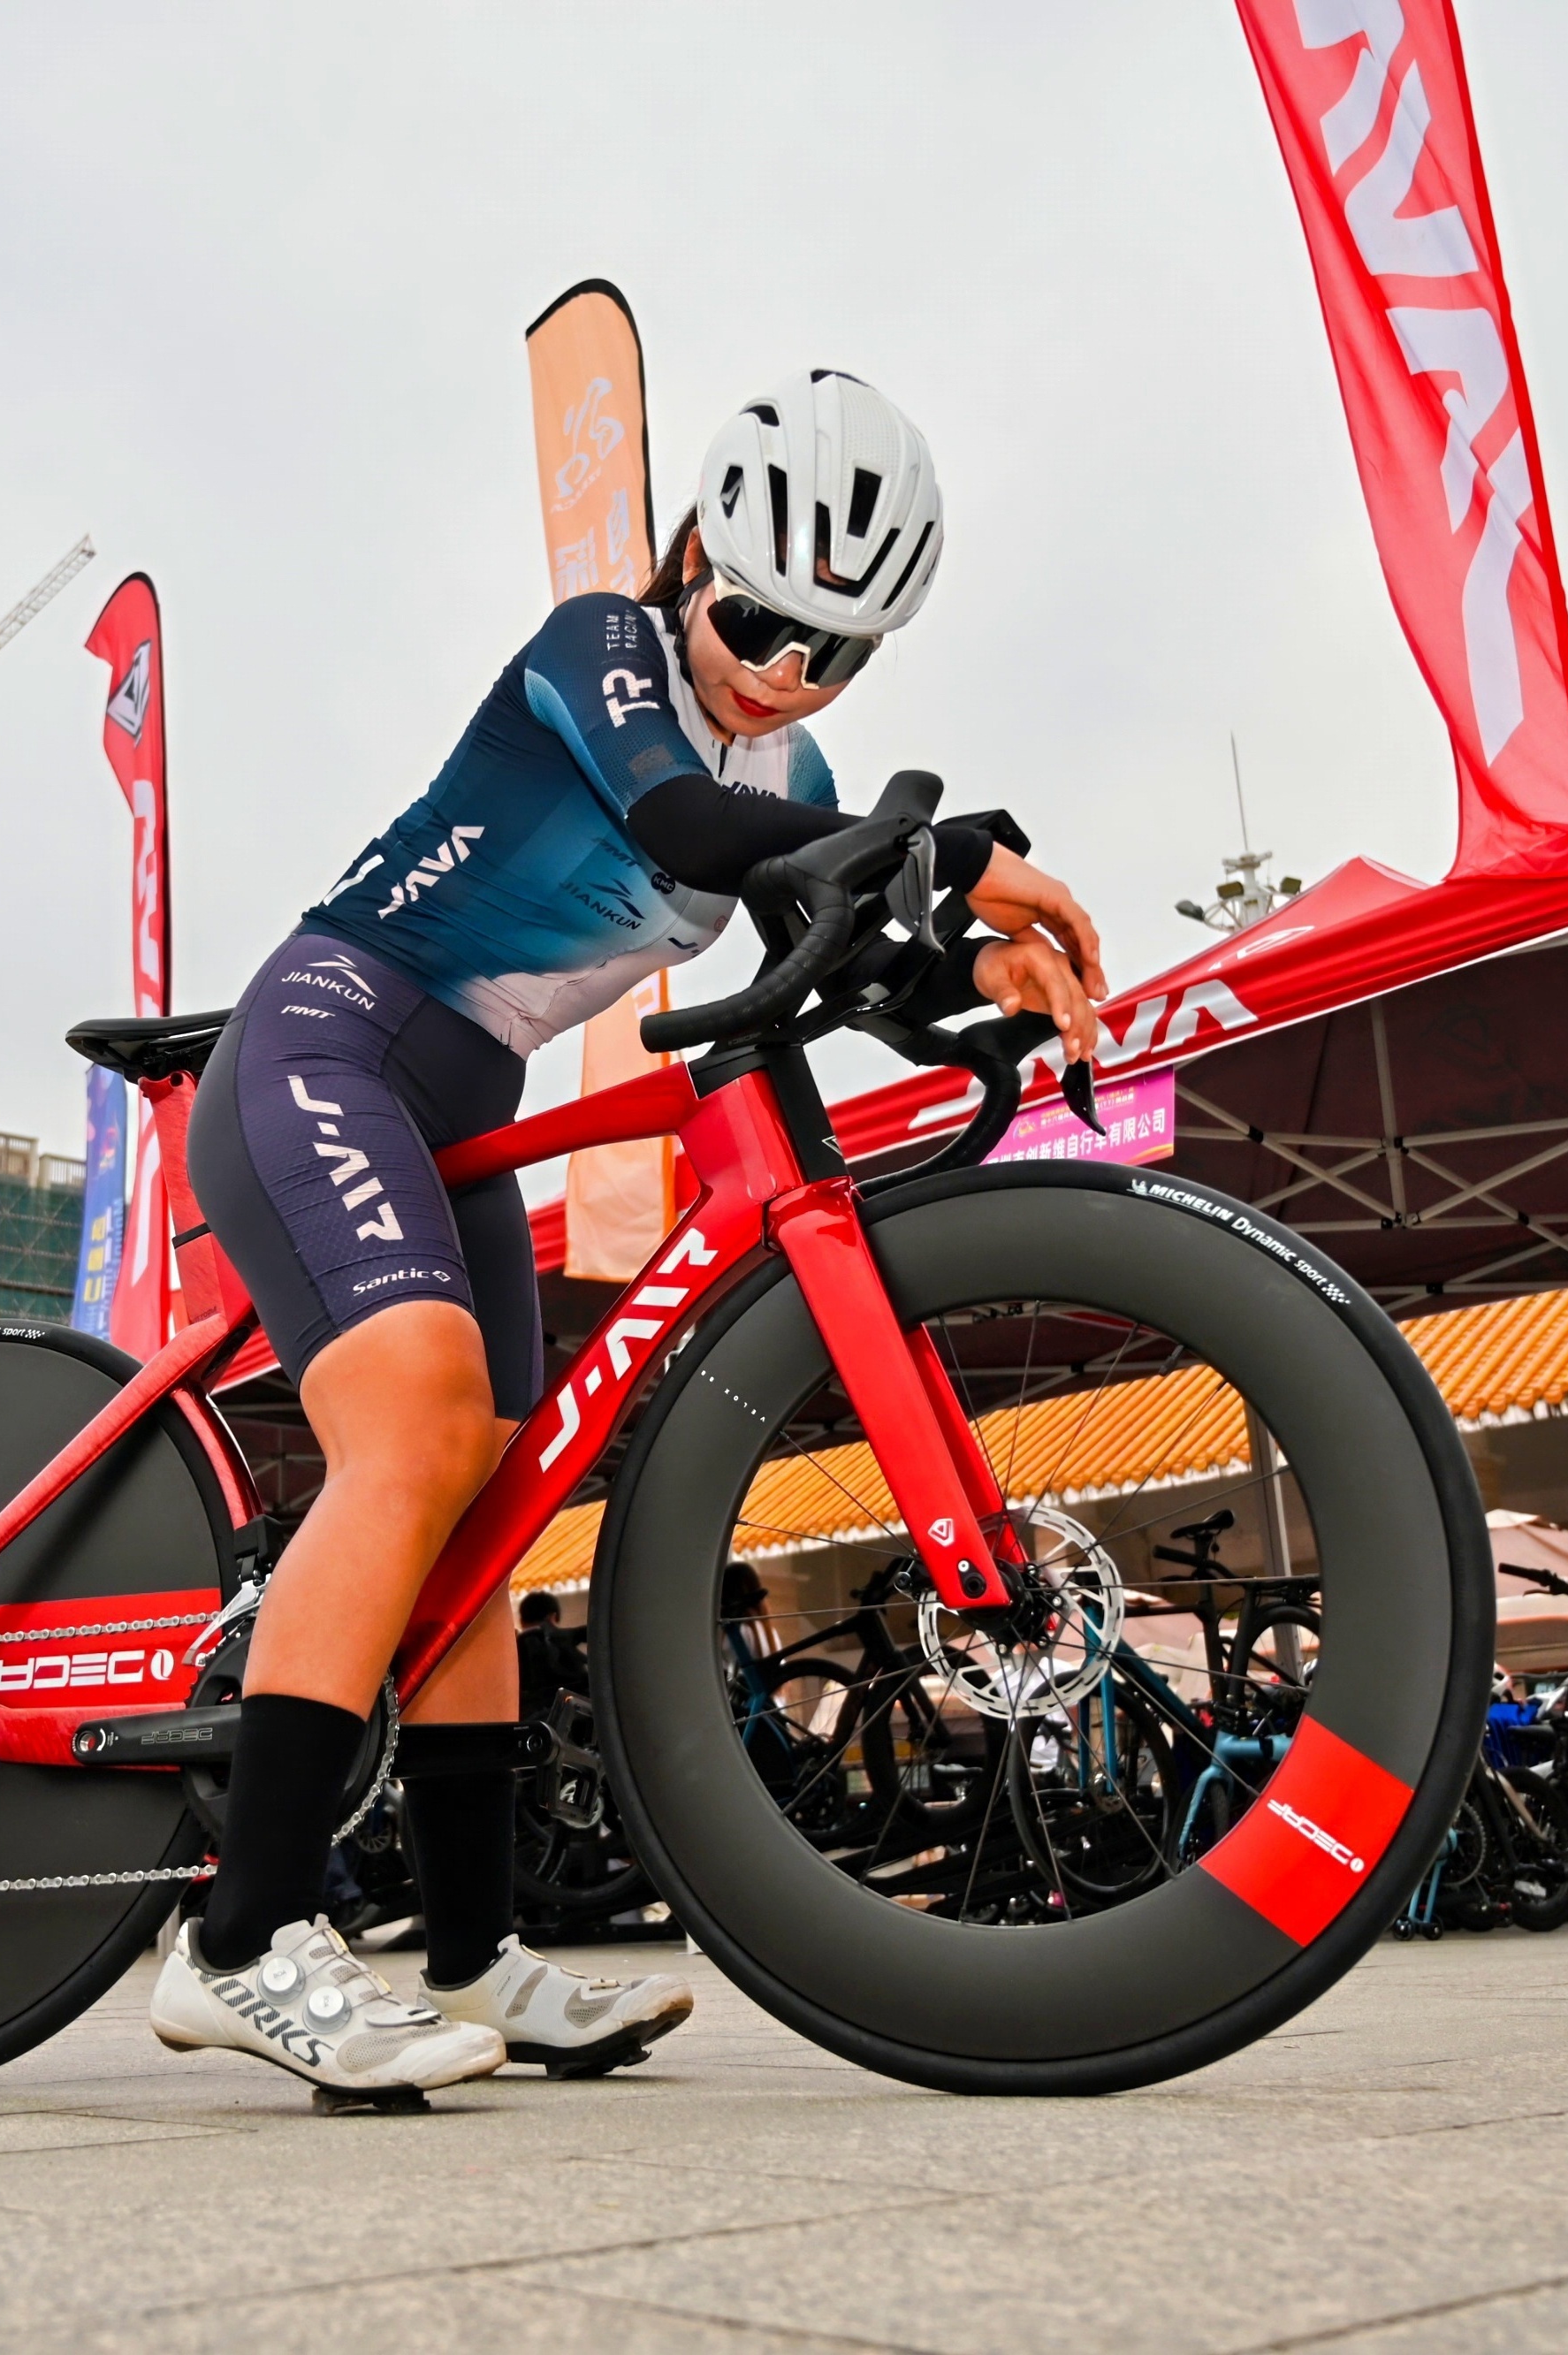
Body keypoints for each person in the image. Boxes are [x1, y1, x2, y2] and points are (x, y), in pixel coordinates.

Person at [148, 373, 1109, 2101]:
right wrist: (952, 851)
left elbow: (842, 942)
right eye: (757, 619)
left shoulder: (793, 766)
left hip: (461, 1108)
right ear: (688, 558)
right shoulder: (604, 649)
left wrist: (982, 977)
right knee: (424, 1432)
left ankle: (466, 1955)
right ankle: (240, 1944)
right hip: (332, 1037)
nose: (784, 676)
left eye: (839, 654)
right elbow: (680, 820)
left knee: (488, 1511)